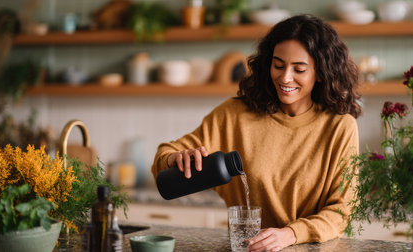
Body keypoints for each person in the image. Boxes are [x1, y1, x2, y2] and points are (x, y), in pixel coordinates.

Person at [151, 14, 361, 251]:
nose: (285, 77)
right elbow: (165, 155)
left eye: (299, 69)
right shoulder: (234, 115)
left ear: (321, 72)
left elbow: (343, 209)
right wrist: (175, 158)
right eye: (278, 65)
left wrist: (290, 234)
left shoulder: (339, 127)